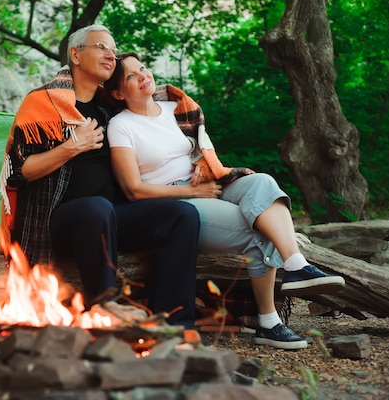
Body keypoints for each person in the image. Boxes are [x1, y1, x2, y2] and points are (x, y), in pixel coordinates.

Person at [105, 52, 346, 349]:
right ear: (118, 92)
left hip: (207, 183)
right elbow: (133, 190)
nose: (143, 75)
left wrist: (203, 166)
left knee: (263, 182)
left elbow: (204, 149)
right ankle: (268, 322)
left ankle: (296, 264)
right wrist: (191, 192)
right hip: (173, 203)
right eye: (131, 76)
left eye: (142, 68)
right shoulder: (121, 125)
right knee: (258, 232)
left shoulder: (176, 107)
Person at [0, 25, 201, 329]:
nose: (111, 55)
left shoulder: (109, 108)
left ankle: (174, 323)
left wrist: (198, 158)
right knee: (96, 207)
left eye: (113, 50)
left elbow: (149, 100)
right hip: (57, 221)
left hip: (111, 217)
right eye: (101, 47)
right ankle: (103, 307)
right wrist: (71, 146)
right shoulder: (43, 104)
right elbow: (22, 170)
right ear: (76, 54)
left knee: (181, 215)